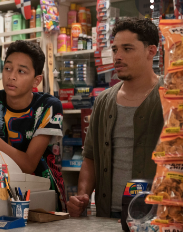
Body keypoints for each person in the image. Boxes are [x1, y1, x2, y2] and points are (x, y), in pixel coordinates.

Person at [67, 18, 164, 218]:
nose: (118, 56)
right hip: (107, 215)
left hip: (155, 217)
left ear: (151, 51)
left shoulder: (170, 98)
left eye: (127, 49)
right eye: (115, 49)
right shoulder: (103, 101)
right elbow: (90, 157)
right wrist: (82, 196)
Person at [0, 40, 66, 211]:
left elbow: (29, 164)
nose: (12, 76)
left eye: (21, 71)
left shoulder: (48, 107)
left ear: (36, 80)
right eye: (8, 68)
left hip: (39, 195)